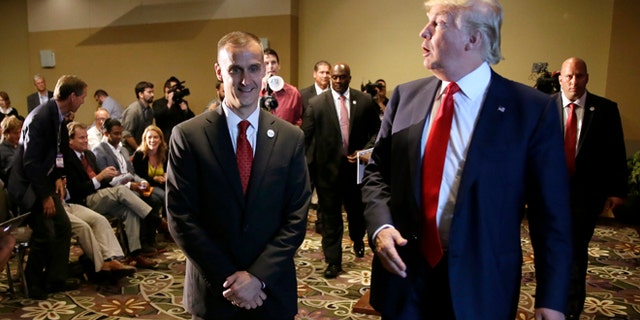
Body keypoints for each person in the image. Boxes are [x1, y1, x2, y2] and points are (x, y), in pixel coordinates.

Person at [360, 1, 573, 319]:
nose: (424, 31)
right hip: (405, 280)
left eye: (439, 23)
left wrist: (552, 299)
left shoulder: (531, 110)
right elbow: (377, 173)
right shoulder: (405, 97)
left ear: (473, 39)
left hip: (481, 286)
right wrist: (381, 226)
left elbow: (551, 215)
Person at [166, 31, 310, 319]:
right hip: (215, 292)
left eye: (254, 68)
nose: (246, 80)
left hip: (271, 291)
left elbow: (296, 216)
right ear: (219, 71)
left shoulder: (289, 137)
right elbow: (181, 217)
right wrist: (232, 280)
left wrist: (258, 277)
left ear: (265, 71)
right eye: (235, 69)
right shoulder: (188, 136)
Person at [553, 57, 628, 319]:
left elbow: (616, 152)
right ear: (560, 78)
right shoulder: (543, 108)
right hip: (549, 196)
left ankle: (571, 309)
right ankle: (548, 304)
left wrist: (617, 191)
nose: (574, 81)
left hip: (584, 197)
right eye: (569, 76)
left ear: (587, 78)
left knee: (575, 254)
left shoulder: (605, 110)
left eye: (580, 76)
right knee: (549, 252)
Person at [8, 75, 86, 299]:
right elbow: (30, 163)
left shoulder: (59, 117)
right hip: (28, 187)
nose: (83, 102)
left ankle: (55, 279)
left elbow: (59, 153)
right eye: (82, 97)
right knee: (45, 233)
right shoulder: (40, 118)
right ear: (72, 96)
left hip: (43, 181)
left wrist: (60, 176)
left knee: (63, 226)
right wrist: (44, 196)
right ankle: (32, 283)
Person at [302, 62, 381, 278]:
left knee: (356, 215)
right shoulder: (316, 104)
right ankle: (333, 261)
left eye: (342, 77)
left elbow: (377, 131)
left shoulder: (364, 101)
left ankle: (357, 238)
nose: (338, 81)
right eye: (334, 77)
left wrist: (365, 150)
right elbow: (306, 137)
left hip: (355, 171)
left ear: (349, 78)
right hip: (327, 174)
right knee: (330, 219)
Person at [63, 121, 158, 268]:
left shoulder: (88, 155)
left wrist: (113, 179)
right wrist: (100, 177)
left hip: (99, 196)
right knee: (121, 191)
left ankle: (135, 254)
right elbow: (76, 191)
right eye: (81, 138)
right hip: (82, 201)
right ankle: (155, 219)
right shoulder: (67, 159)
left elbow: (104, 183)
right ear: (70, 140)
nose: (86, 141)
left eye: (86, 137)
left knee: (129, 211)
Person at [299, 60, 331, 233]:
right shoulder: (303, 95)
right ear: (314, 74)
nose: (325, 76)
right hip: (308, 150)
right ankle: (300, 224)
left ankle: (322, 223)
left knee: (326, 193)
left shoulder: (335, 94)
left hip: (328, 152)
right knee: (305, 190)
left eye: (328, 72)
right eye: (322, 72)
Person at [261, 48, 303, 126]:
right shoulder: (252, 92)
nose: (270, 67)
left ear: (279, 66)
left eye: (273, 62)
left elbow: (297, 122)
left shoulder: (293, 93)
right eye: (266, 63)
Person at [132, 125, 167, 213]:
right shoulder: (139, 155)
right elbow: (138, 177)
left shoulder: (165, 152)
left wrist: (167, 174)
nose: (152, 140)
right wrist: (155, 179)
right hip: (147, 185)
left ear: (160, 139)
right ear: (145, 139)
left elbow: (169, 170)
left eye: (155, 137)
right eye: (149, 137)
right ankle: (164, 222)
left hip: (163, 184)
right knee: (164, 196)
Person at [152, 76, 195, 143]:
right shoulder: (158, 103)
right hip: (165, 139)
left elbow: (191, 120)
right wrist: (169, 104)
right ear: (167, 89)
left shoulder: (181, 102)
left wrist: (186, 110)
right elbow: (158, 116)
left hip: (180, 138)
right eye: (174, 89)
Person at [121, 81, 154, 154]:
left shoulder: (150, 110)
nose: (152, 95)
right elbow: (126, 134)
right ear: (141, 94)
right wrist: (138, 149)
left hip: (142, 149)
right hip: (129, 151)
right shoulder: (133, 111)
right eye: (149, 92)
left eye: (152, 92)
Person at [0, 115, 22, 184]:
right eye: (15, 133)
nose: (19, 136)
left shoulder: (21, 146)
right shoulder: (1, 151)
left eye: (20, 132)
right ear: (6, 133)